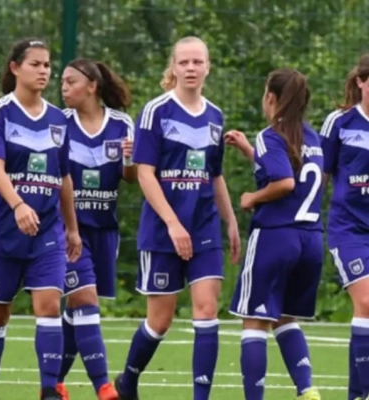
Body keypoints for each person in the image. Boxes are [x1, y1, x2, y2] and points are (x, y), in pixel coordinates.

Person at [114, 36, 240, 400]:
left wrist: (230, 221)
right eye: (183, 62)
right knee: (160, 320)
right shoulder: (156, 111)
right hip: (162, 231)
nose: (190, 68)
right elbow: (144, 173)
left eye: (197, 62)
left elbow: (214, 175)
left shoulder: (215, 116)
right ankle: (128, 381)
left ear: (208, 67)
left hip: (204, 228)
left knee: (207, 309)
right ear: (174, 67)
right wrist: (172, 223)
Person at [0, 38, 82, 400]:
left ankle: (49, 390)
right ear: (15, 68)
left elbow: (64, 176)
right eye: (35, 64)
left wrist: (72, 228)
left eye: (47, 65)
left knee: (49, 305)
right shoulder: (0, 112)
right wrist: (19, 205)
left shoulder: (59, 119)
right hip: (2, 230)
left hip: (47, 230)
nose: (44, 71)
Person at [226, 68, 323, 400]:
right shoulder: (312, 138)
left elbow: (284, 182)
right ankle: (307, 389)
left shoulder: (271, 135)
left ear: (271, 97)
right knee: (285, 316)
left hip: (276, 237)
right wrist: (249, 151)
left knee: (254, 320)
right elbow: (291, 169)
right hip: (310, 240)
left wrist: (252, 198)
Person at [56, 58, 136, 400]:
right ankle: (104, 386)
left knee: (78, 308)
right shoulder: (59, 122)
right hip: (68, 229)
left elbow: (130, 178)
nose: (63, 88)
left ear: (92, 86)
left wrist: (130, 159)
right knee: (85, 299)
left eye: (70, 81)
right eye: (62, 81)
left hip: (104, 228)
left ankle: (52, 381)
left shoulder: (121, 123)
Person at [320, 53, 369, 400]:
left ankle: (356, 394)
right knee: (367, 300)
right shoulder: (339, 123)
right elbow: (319, 174)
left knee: (365, 309)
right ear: (361, 82)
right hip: (348, 229)